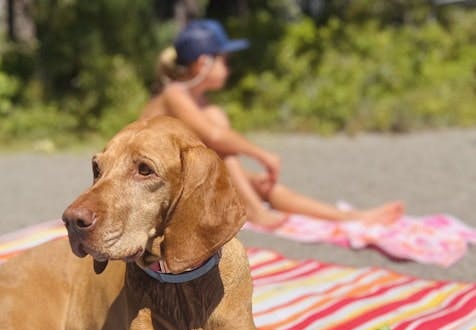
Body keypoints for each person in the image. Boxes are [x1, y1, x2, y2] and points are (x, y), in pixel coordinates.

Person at [140, 19, 404, 229]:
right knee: (218, 130)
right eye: (224, 60)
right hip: (148, 186)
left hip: (172, 181)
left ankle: (351, 217)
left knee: (258, 183)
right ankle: (256, 212)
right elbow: (215, 136)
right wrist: (262, 154)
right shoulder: (174, 93)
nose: (228, 68)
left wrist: (251, 177)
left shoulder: (201, 104)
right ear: (203, 63)